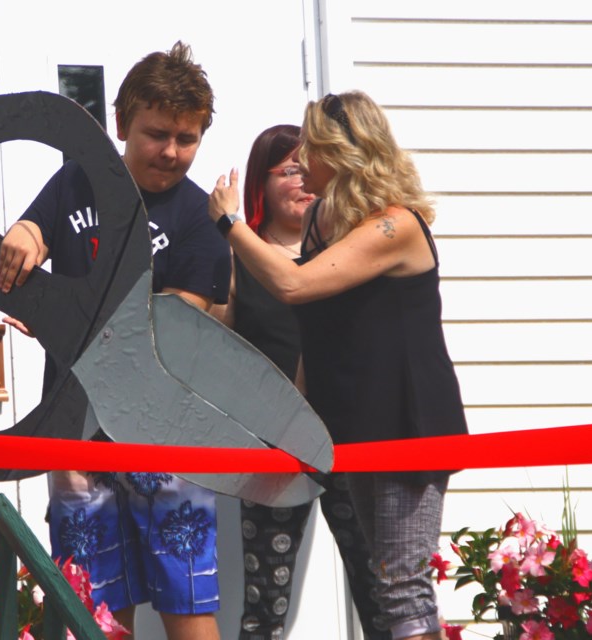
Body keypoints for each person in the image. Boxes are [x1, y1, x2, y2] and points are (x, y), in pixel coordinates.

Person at [208, 91, 468, 640]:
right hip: (356, 427)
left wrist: (231, 223)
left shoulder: (396, 225)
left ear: (344, 152)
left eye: (312, 147)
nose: (301, 161)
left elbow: (292, 285)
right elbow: (315, 334)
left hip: (406, 423)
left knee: (400, 591)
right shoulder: (327, 224)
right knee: (387, 585)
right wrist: (293, 422)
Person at [0, 42, 230, 640]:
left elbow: (176, 319)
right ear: (120, 123)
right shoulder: (75, 183)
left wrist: (64, 311)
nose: (172, 152)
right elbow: (31, 237)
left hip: (167, 434)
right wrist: (22, 234)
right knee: (90, 603)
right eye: (157, 134)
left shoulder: (200, 216)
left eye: (188, 138)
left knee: (187, 600)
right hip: (75, 430)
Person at [211, 124, 390, 640]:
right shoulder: (238, 256)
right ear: (260, 184)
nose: (305, 180)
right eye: (290, 169)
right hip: (274, 447)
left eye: (310, 169)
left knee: (380, 596)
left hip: (350, 443)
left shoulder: (346, 252)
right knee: (264, 605)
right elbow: (215, 345)